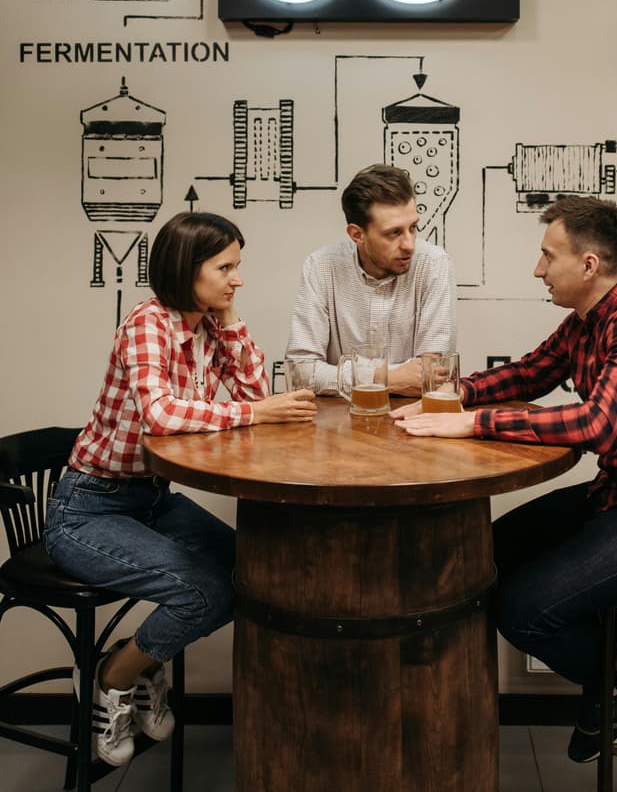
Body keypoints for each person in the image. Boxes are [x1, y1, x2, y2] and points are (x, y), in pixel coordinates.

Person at [392, 195, 617, 763]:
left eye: (547, 256)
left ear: (589, 265)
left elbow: (598, 423)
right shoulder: (587, 321)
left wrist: (472, 424)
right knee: (481, 558)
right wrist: (450, 395)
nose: (537, 269)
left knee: (524, 610)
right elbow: (530, 373)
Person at [44, 211, 316, 767]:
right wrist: (252, 413)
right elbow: (162, 415)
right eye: (226, 268)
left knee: (253, 573)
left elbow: (254, 390)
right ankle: (116, 676)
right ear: (185, 268)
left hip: (150, 501)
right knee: (202, 591)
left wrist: (230, 316)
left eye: (237, 267)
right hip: (89, 510)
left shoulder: (205, 325)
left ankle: (141, 663)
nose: (237, 279)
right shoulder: (149, 322)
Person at [286, 163, 456, 396]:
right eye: (394, 233)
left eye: (413, 227)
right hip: (337, 423)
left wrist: (339, 375)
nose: (409, 244)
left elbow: (431, 376)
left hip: (412, 419)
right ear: (357, 235)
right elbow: (301, 373)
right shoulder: (321, 267)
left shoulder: (433, 264)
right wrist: (382, 378)